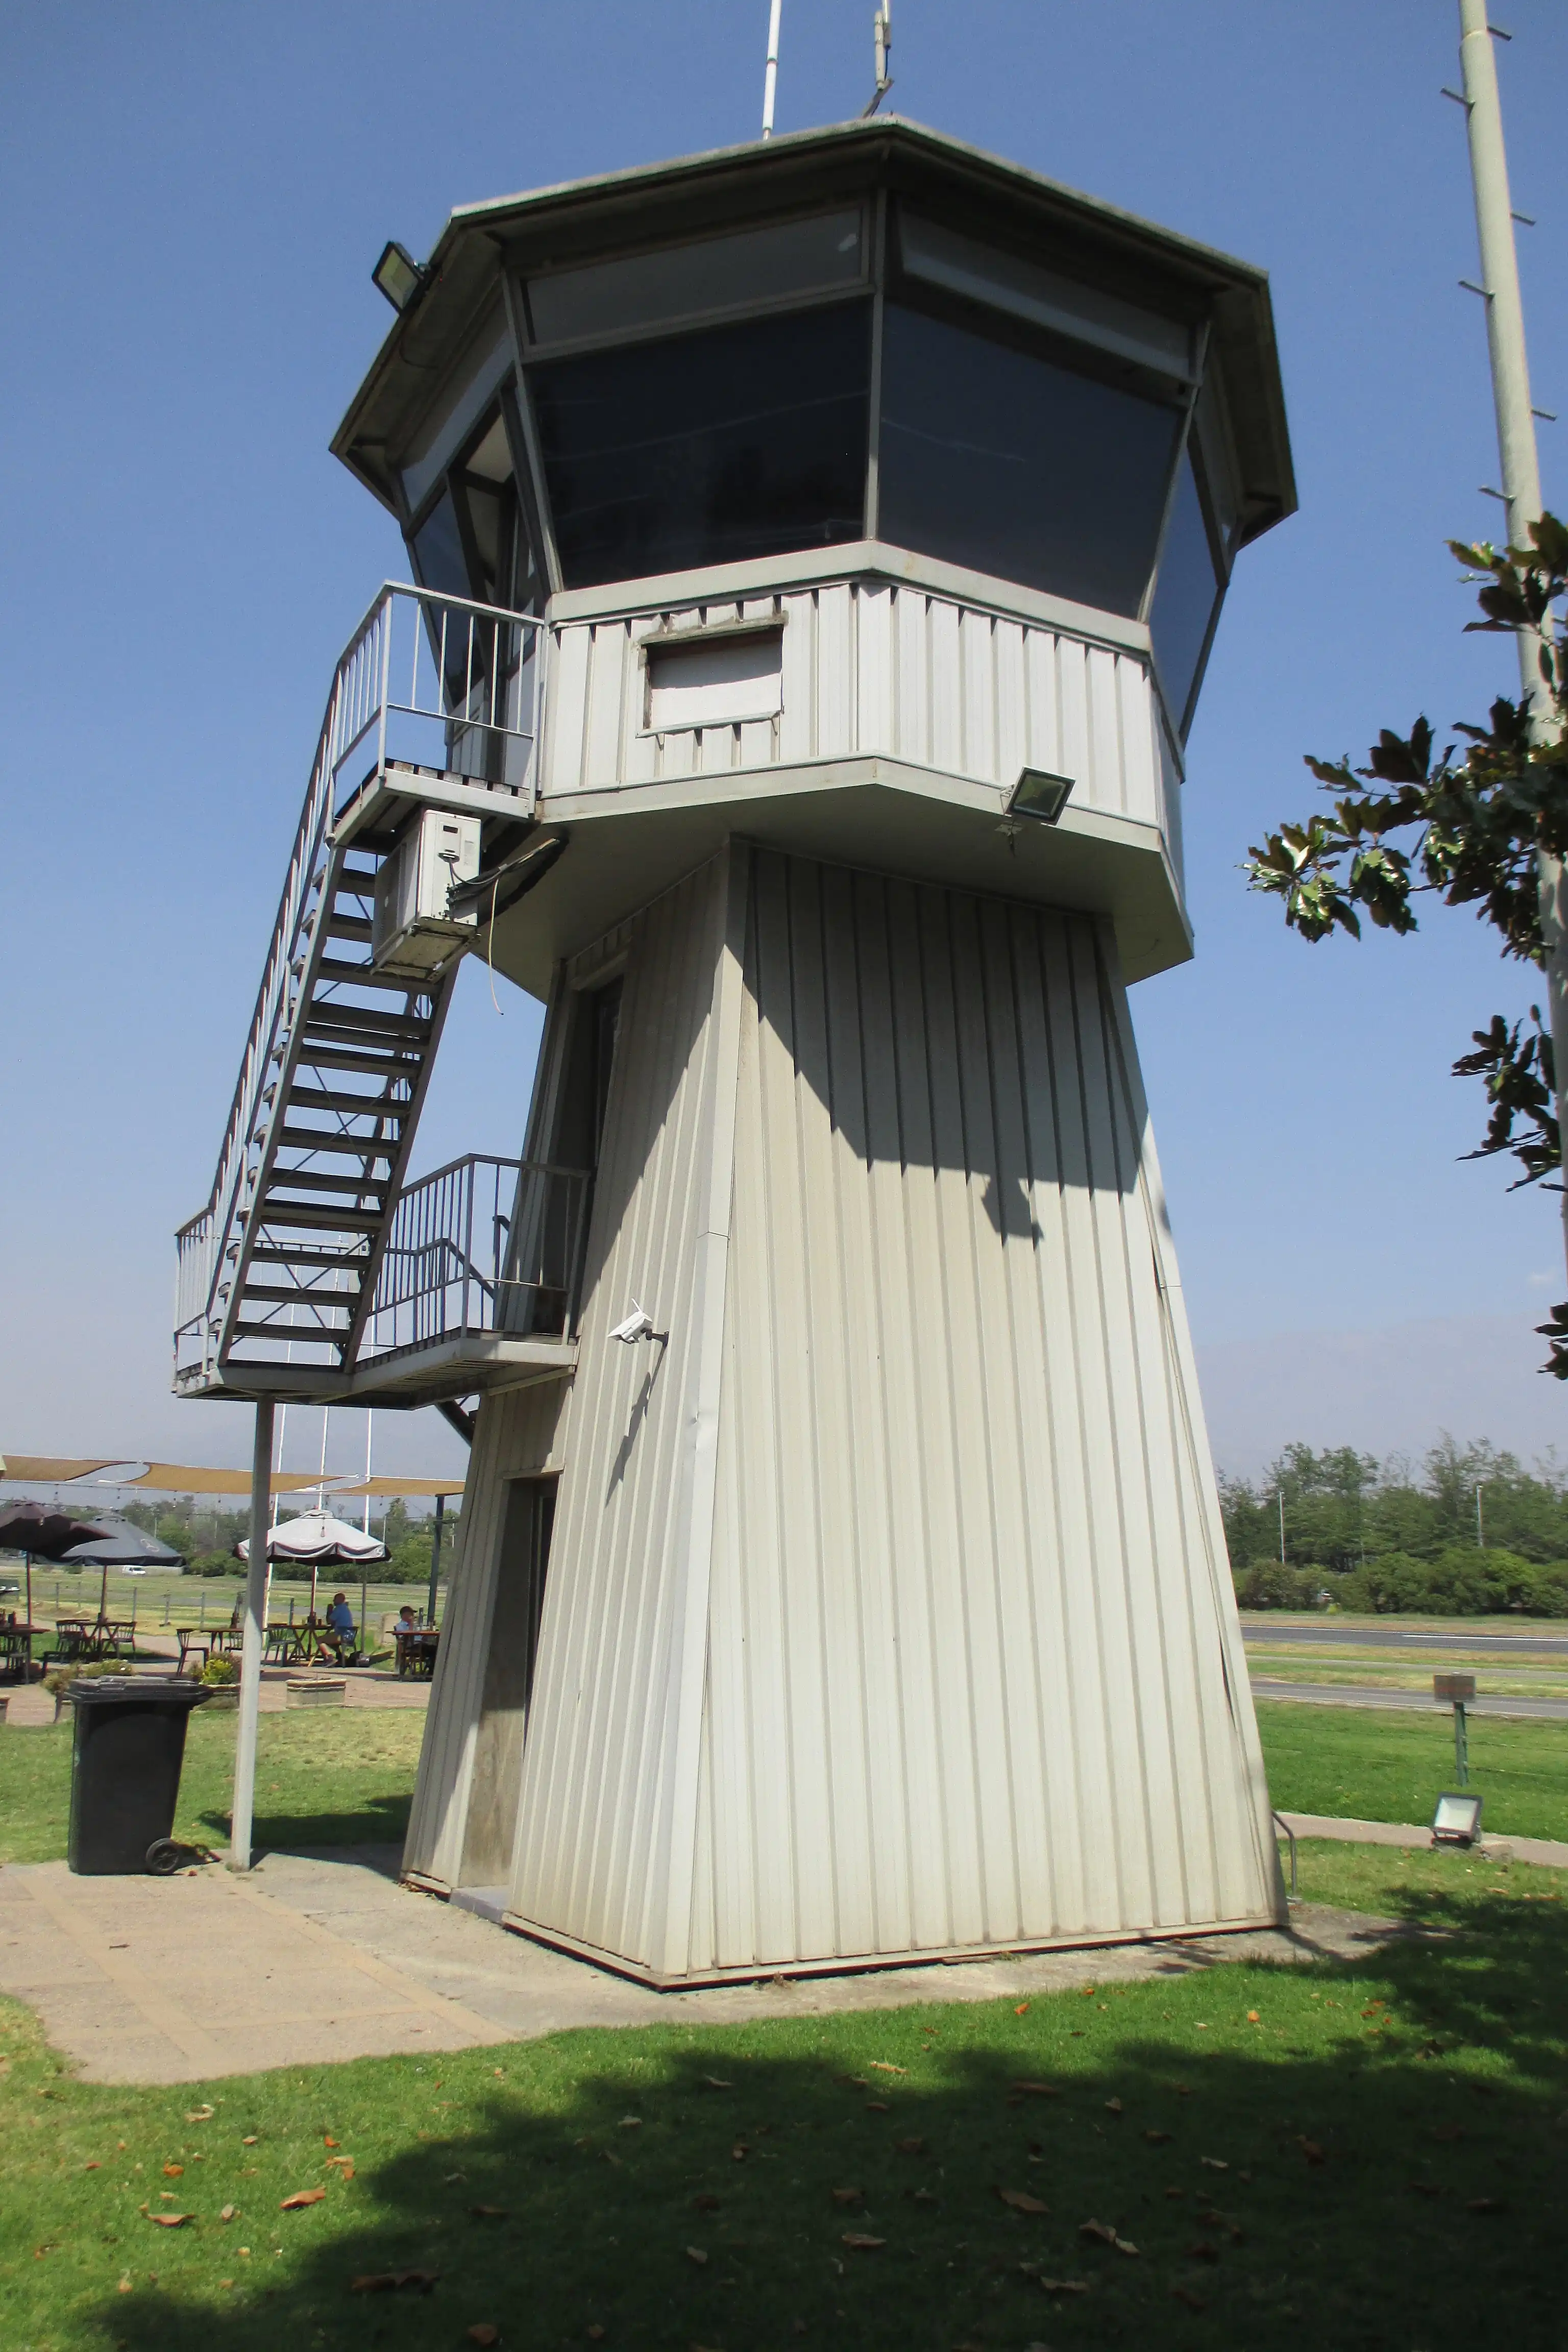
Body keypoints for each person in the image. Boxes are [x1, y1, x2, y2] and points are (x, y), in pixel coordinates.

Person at [322, 1591, 358, 1662]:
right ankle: (340, 1655)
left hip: (342, 1635)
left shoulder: (339, 1609)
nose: (333, 1601)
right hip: (349, 1636)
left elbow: (329, 1621)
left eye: (335, 1599)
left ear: (340, 1600)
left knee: (319, 1640)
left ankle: (330, 1658)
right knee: (329, 1640)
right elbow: (334, 1623)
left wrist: (329, 1611)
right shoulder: (346, 1609)